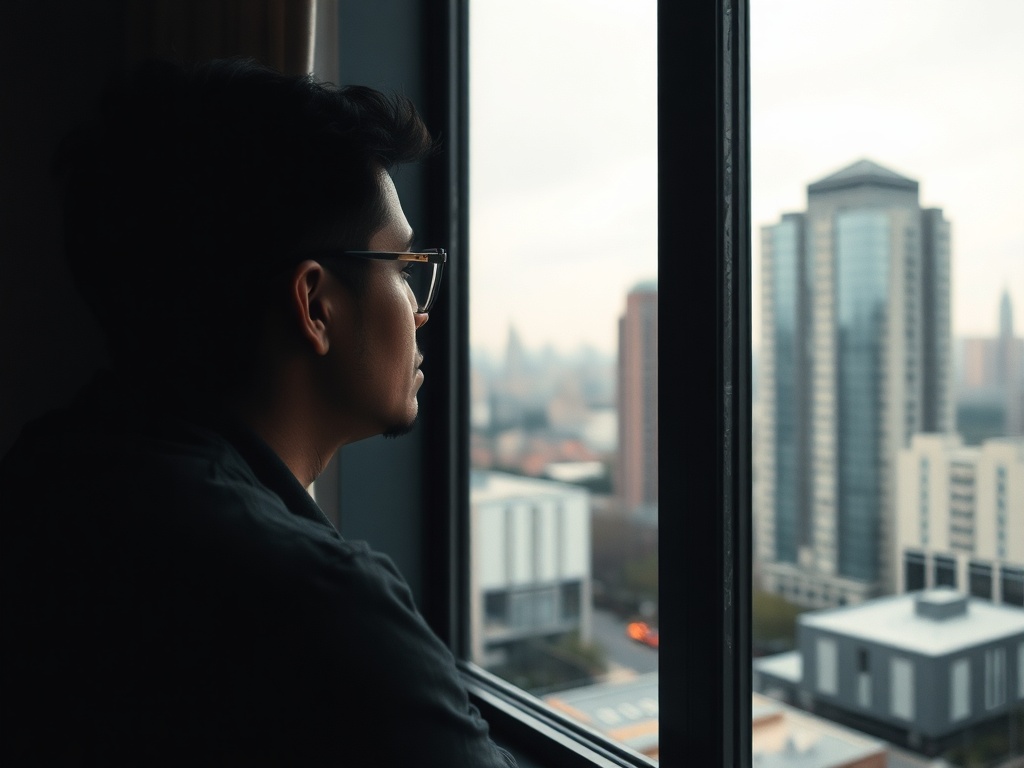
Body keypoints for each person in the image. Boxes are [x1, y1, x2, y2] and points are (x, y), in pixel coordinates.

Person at [0, 57, 515, 766]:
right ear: (314, 305)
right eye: (401, 268)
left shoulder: (49, 472)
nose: (421, 312)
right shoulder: (321, 607)